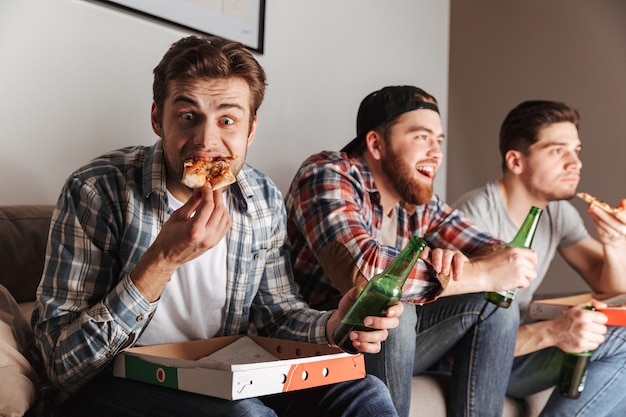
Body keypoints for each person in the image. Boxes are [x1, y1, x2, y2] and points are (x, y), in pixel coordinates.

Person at [31, 35, 403, 417]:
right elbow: (60, 364)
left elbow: (276, 316)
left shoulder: (262, 198)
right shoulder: (97, 189)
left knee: (366, 394)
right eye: (188, 117)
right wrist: (162, 260)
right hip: (117, 382)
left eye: (227, 120)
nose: (206, 141)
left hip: (223, 374)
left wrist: (332, 325)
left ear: (251, 129)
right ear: (158, 118)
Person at [285, 85, 539, 417]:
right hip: (317, 337)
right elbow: (363, 271)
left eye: (439, 141)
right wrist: (482, 272)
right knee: (392, 309)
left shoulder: (419, 204)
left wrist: (464, 262)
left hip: (385, 343)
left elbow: (501, 252)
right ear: (376, 144)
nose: (436, 153)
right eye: (422, 137)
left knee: (494, 305)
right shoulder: (327, 172)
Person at [454, 99, 626, 415]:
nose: (575, 163)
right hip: (478, 360)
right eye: (558, 150)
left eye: (576, 150)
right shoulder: (473, 218)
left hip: (517, 350)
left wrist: (614, 242)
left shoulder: (557, 213)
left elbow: (611, 285)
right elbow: (459, 344)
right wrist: (557, 330)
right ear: (516, 161)